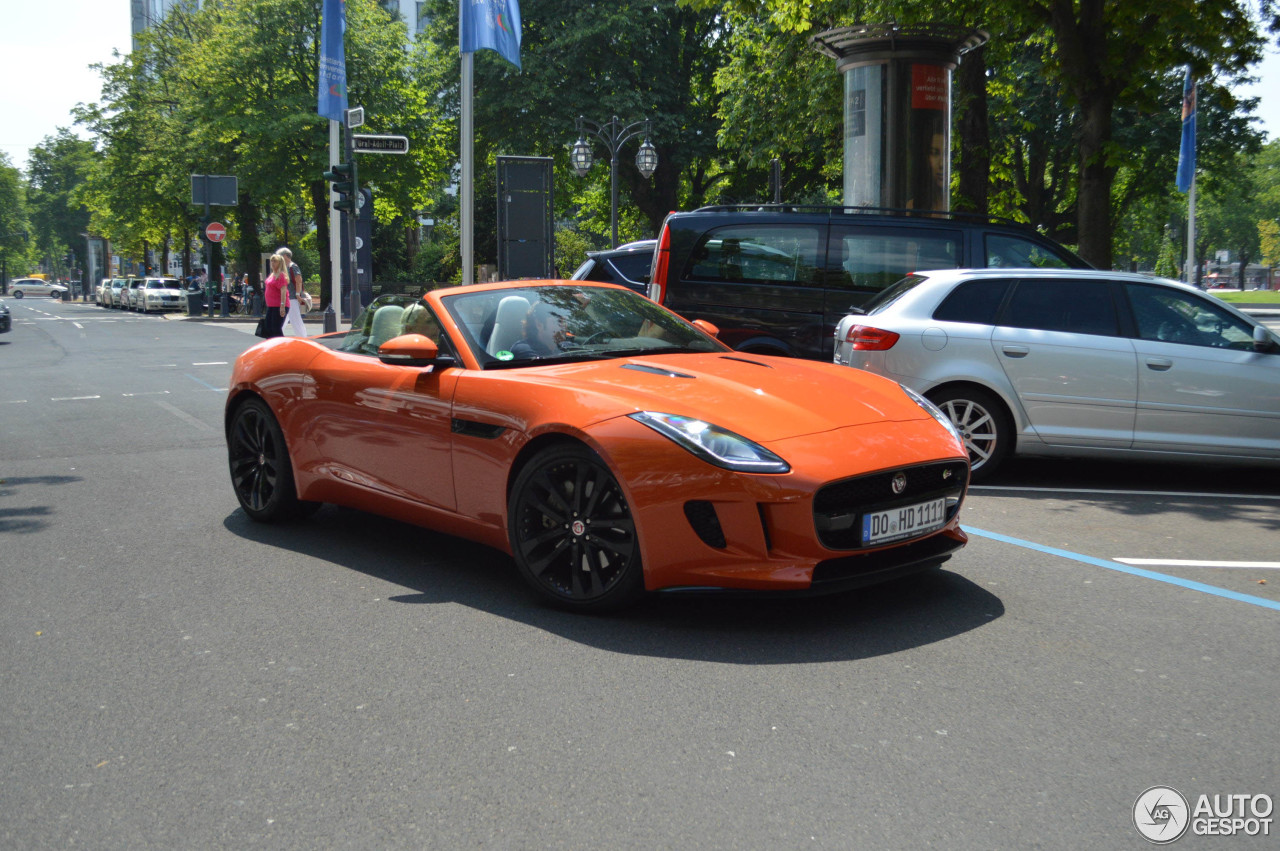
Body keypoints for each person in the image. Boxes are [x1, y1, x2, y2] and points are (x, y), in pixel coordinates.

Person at [277, 247, 307, 336]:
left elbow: (299, 280)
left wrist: (298, 294)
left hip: (292, 297)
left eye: (280, 256)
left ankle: (303, 339)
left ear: (285, 256)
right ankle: (276, 335)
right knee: (284, 318)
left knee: (295, 319)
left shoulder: (292, 266)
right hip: (288, 297)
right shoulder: (286, 267)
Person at [261, 254, 290, 338]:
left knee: (276, 328)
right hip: (271, 305)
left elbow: (283, 291)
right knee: (268, 327)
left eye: (275, 261)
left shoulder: (281, 275)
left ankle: (282, 347)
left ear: (280, 263)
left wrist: (282, 306)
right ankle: (272, 346)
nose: (272, 263)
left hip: (278, 305)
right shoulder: (273, 274)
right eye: (271, 261)